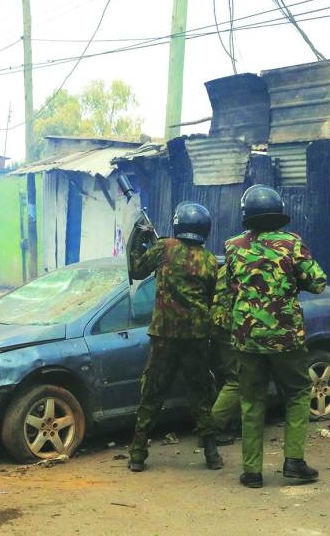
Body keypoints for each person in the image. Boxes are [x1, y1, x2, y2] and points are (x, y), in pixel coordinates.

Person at [225, 185, 326, 489]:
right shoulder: (292, 243)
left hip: (246, 335)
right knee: (296, 392)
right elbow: (318, 282)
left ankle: (252, 471)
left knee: (251, 399)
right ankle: (294, 462)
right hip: (285, 336)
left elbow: (230, 285)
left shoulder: (232, 246)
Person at [127, 202, 221, 472]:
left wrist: (140, 238)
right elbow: (212, 295)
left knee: (152, 394)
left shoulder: (164, 247)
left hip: (164, 335)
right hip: (197, 336)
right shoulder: (209, 260)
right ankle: (212, 454)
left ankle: (137, 455)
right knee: (201, 394)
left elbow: (136, 270)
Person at [208, 262, 241, 445]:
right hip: (230, 326)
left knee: (230, 375)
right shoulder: (245, 265)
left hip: (217, 324)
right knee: (236, 379)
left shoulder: (225, 266)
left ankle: (233, 422)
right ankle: (212, 428)